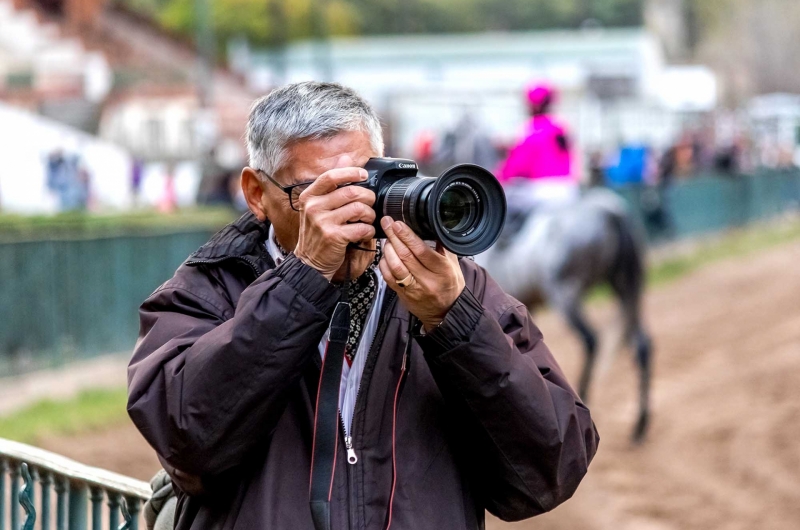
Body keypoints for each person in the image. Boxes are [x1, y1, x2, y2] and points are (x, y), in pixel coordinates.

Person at [127, 81, 598, 530]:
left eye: (365, 183)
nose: (354, 210)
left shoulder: (455, 284)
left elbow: (550, 471)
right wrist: (303, 279)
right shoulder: (206, 290)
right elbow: (188, 443)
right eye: (319, 194)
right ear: (256, 194)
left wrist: (454, 321)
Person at [496, 83, 579, 213]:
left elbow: (518, 166)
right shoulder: (562, 125)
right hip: (569, 190)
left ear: (533, 105)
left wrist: (498, 177)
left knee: (498, 202)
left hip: (541, 192)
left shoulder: (530, 128)